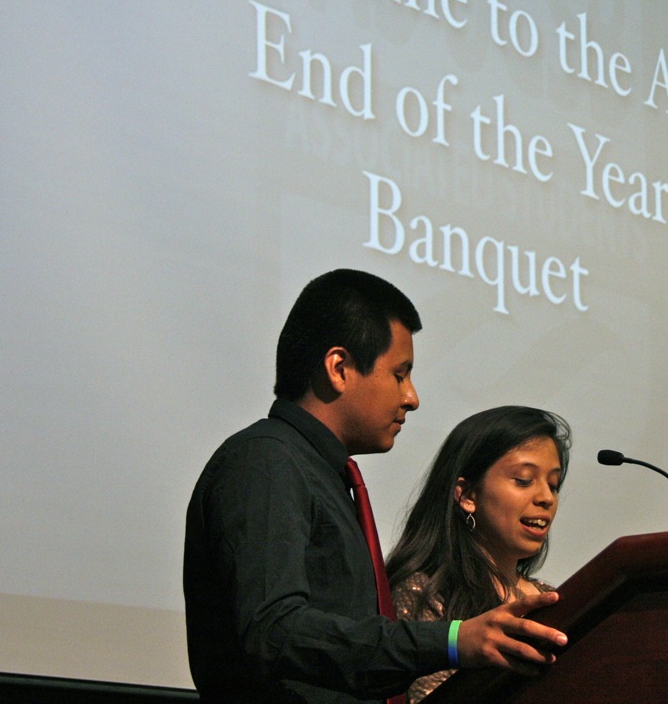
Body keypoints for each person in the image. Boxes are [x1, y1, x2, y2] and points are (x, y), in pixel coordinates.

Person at [183, 269, 567, 704]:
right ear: (339, 368)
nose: (411, 398)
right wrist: (452, 641)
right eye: (400, 374)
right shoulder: (266, 462)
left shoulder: (321, 473)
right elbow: (274, 630)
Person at [387, 406, 572, 702]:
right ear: (467, 495)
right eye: (524, 480)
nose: (546, 498)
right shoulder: (426, 590)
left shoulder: (548, 597)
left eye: (553, 484)